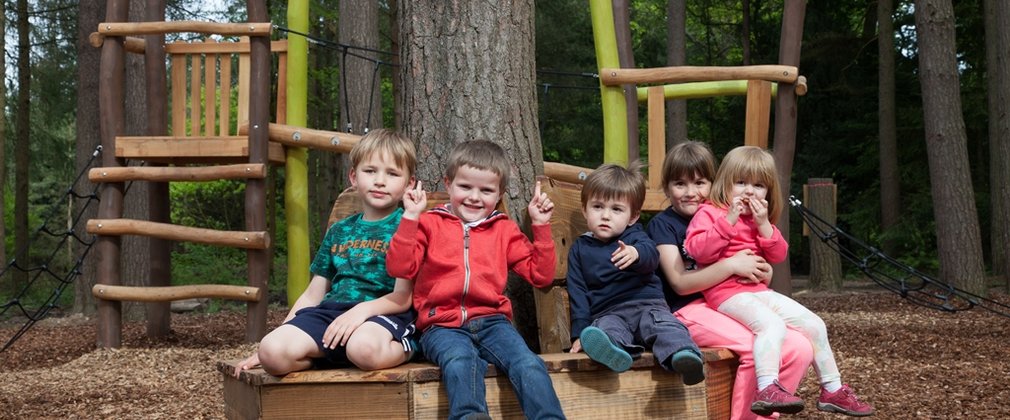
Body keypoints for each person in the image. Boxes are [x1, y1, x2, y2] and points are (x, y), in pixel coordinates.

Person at [684, 145, 873, 417]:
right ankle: (767, 387)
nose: (749, 191)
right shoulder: (711, 212)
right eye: (740, 183)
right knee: (770, 325)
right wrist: (728, 221)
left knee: (814, 325)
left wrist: (763, 225)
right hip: (725, 294)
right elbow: (698, 250)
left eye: (759, 185)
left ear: (768, 192)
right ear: (724, 183)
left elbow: (779, 254)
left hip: (758, 292)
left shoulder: (760, 220)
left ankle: (832, 389)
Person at [387, 140, 566, 420]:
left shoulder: (503, 229)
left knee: (527, 363)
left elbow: (540, 275)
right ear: (448, 184)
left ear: (499, 194)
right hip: (441, 325)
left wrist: (540, 227)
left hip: (493, 322)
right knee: (461, 361)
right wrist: (410, 216)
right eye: (465, 187)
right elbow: (400, 267)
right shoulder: (429, 224)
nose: (474, 197)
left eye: (486, 190)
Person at [646, 141, 815, 420]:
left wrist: (764, 272)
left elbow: (764, 260)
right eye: (680, 184)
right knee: (753, 347)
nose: (691, 193)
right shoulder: (663, 225)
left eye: (700, 183)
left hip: (730, 303)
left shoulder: (732, 216)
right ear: (667, 187)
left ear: (716, 183)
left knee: (799, 347)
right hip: (688, 310)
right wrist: (731, 265)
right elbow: (679, 282)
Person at [233, 128, 418, 378]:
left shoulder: (408, 227)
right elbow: (313, 295)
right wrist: (280, 336)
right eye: (370, 171)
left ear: (409, 184)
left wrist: (360, 312)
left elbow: (403, 297)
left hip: (383, 315)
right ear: (354, 177)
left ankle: (413, 348)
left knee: (363, 350)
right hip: (332, 313)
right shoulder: (339, 231)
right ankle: (323, 357)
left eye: (392, 173)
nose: (380, 181)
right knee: (272, 352)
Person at [566, 162, 704, 386]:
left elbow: (652, 256)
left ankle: (683, 356)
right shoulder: (580, 249)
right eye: (598, 207)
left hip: (647, 305)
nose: (606, 216)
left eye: (616, 209)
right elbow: (578, 293)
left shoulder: (635, 237)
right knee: (606, 330)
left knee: (664, 327)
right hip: (609, 312)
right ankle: (616, 353)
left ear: (632, 216)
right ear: (585, 209)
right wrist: (579, 334)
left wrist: (636, 254)